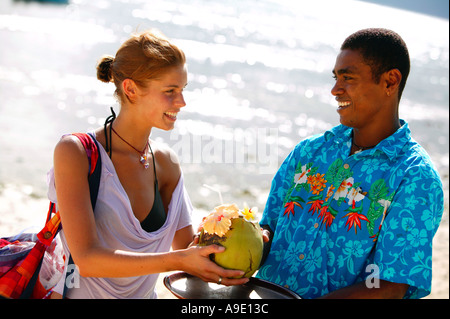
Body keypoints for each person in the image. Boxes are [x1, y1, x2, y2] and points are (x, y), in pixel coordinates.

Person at [48, 30, 248, 299]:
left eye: (182, 90)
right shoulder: (76, 152)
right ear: (130, 89)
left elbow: (188, 248)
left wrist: (243, 237)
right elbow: (87, 259)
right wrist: (178, 260)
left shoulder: (166, 163)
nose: (182, 102)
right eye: (170, 91)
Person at [256, 28, 444, 299]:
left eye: (348, 78)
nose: (335, 89)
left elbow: (390, 285)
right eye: (336, 78)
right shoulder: (308, 153)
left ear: (390, 82)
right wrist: (232, 243)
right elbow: (269, 230)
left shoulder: (415, 178)